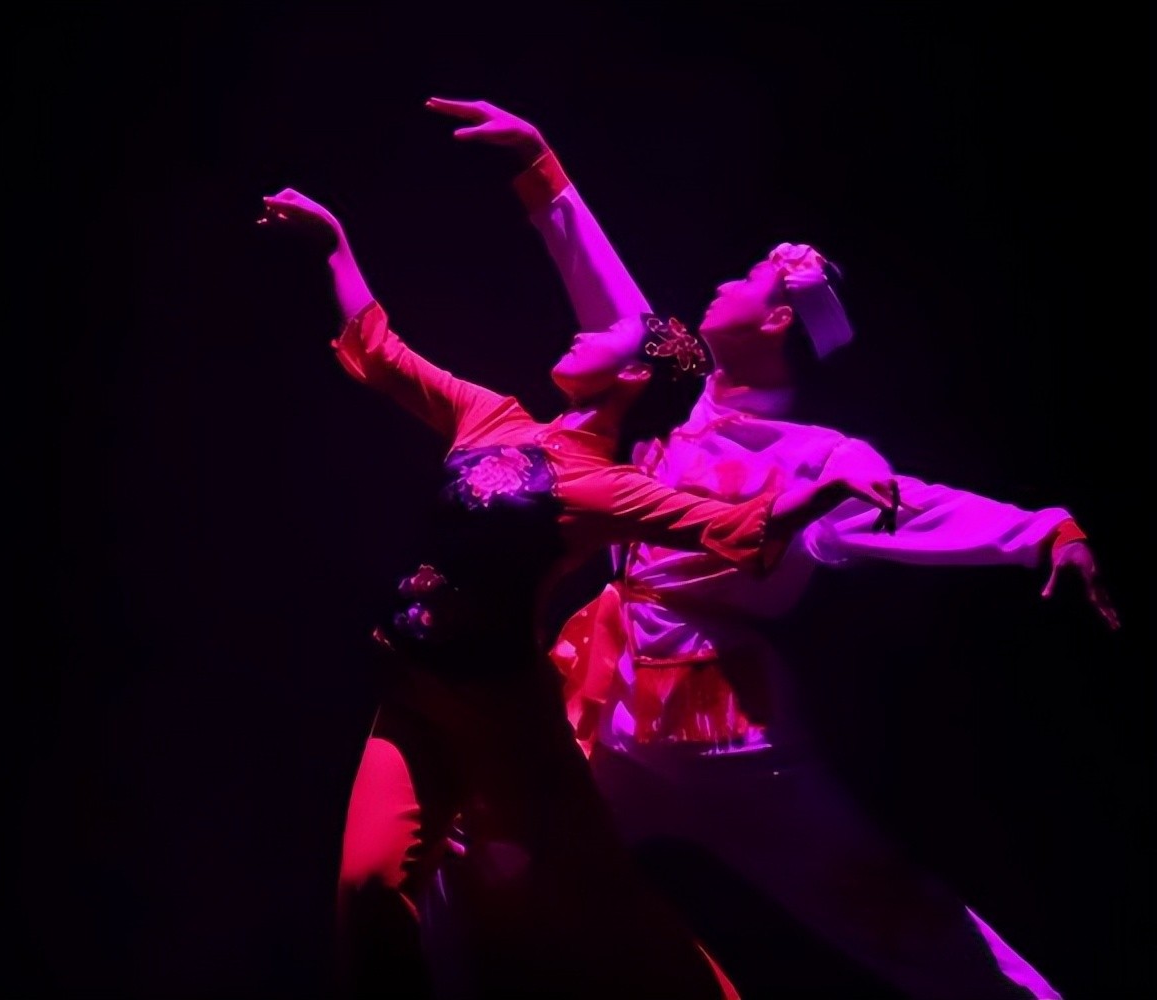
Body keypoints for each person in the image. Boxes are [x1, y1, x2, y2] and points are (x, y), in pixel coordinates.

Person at [426, 96, 1119, 1000]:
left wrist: (1045, 531)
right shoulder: (677, 399)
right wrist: (538, 167)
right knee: (474, 851)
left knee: (886, 907)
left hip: (726, 733)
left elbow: (917, 508)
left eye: (752, 276)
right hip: (608, 692)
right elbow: (616, 310)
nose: (726, 280)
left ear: (780, 319)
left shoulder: (820, 458)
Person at [256, 171, 899, 999]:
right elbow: (383, 354)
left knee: (598, 900)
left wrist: (826, 484)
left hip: (506, 716)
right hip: (412, 690)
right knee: (369, 887)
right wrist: (334, 243)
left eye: (606, 335)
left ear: (631, 378)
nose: (578, 335)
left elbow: (735, 529)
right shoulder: (493, 416)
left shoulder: (609, 486)